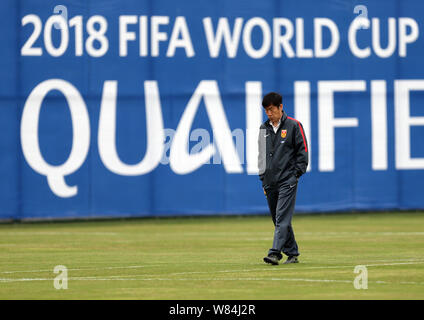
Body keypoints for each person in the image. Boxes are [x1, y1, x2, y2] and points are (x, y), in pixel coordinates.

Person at [258, 92, 308, 265]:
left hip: (288, 180)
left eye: (271, 109)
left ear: (280, 107)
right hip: (270, 182)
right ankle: (292, 253)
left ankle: (274, 253)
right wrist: (263, 179)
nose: (269, 114)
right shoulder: (263, 129)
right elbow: (262, 156)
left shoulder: (294, 126)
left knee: (281, 217)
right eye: (266, 111)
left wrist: (295, 175)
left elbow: (303, 153)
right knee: (278, 219)